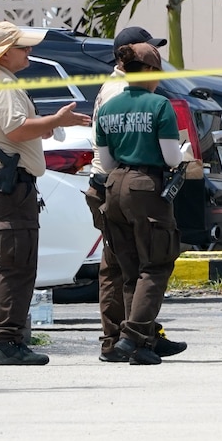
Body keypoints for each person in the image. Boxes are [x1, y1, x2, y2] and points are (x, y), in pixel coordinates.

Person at [0, 17, 92, 366]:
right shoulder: (2, 83)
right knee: (16, 265)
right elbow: (17, 129)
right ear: (3, 53)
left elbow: (12, 130)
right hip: (9, 188)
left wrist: (46, 126)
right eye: (23, 48)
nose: (29, 54)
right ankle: (7, 342)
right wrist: (56, 121)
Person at [85, 26, 186, 363]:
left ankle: (138, 340)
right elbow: (171, 157)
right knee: (154, 264)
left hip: (111, 186)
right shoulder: (158, 104)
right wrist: (181, 155)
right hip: (143, 187)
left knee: (127, 268)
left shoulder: (107, 99)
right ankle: (127, 340)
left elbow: (109, 156)